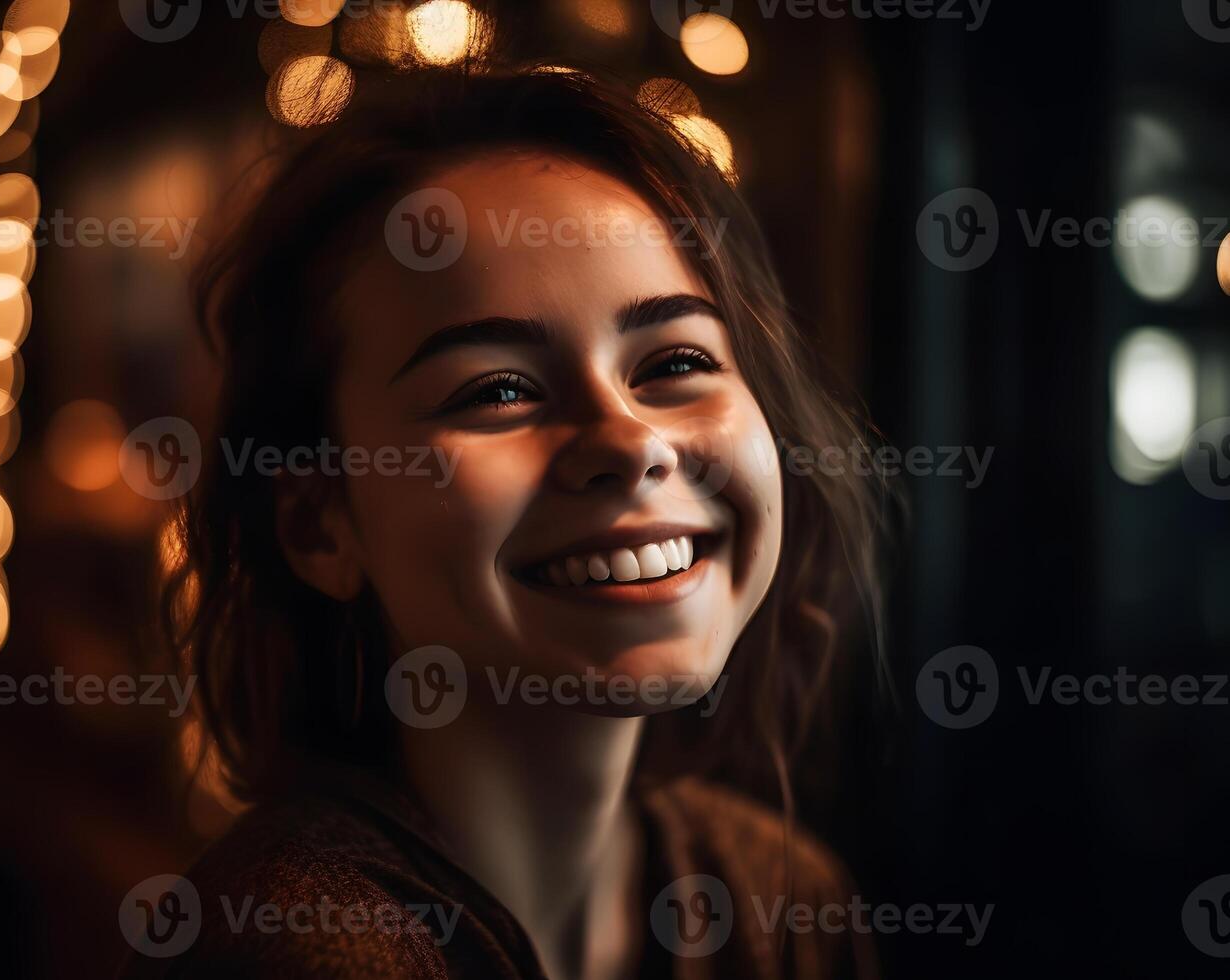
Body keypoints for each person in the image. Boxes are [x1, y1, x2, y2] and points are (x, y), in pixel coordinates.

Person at [125, 65, 889, 980]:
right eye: (497, 390)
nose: (627, 439)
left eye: (675, 360)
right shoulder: (296, 948)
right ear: (320, 525)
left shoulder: (781, 899)